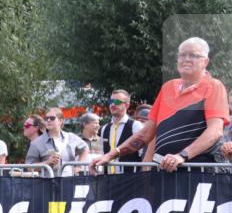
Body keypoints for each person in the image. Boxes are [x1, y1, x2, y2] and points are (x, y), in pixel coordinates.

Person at [94, 37, 229, 173]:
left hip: (199, 173)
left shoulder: (214, 86)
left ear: (205, 62)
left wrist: (182, 156)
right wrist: (111, 155)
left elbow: (215, 131)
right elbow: (146, 134)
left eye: (193, 55)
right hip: (165, 174)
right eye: (182, 55)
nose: (186, 59)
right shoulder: (167, 88)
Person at [27, 107, 88, 176]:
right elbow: (29, 167)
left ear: (60, 121)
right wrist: (47, 162)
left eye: (52, 118)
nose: (49, 120)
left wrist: (79, 166)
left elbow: (85, 148)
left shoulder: (71, 137)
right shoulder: (36, 143)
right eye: (46, 118)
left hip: (69, 181)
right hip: (48, 183)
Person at [99, 89, 143, 173]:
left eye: (117, 102)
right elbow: (103, 153)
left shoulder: (135, 125)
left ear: (127, 105)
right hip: (107, 179)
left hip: (129, 178)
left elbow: (142, 154)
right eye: (111, 101)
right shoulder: (104, 129)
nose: (112, 104)